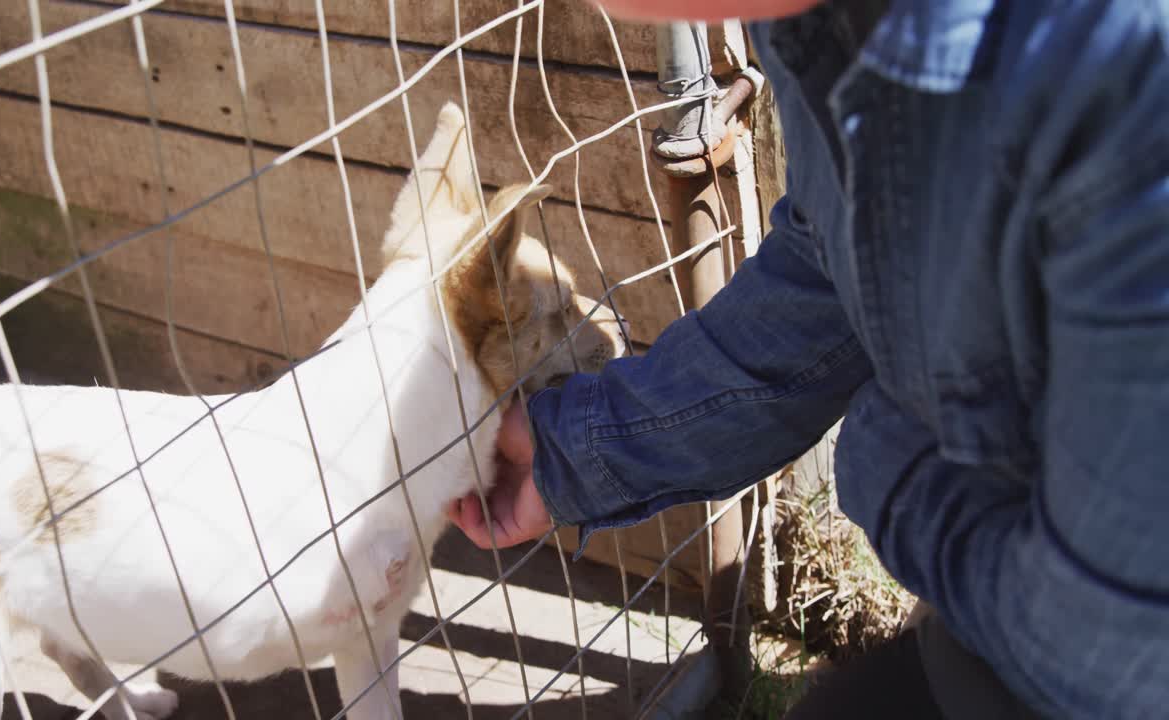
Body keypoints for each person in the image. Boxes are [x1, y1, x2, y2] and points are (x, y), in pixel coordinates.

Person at [447, 0, 1169, 718]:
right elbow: (836, 257)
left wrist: (887, 463)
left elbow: (1111, 649)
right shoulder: (805, 16)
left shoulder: (1122, 69)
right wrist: (574, 452)